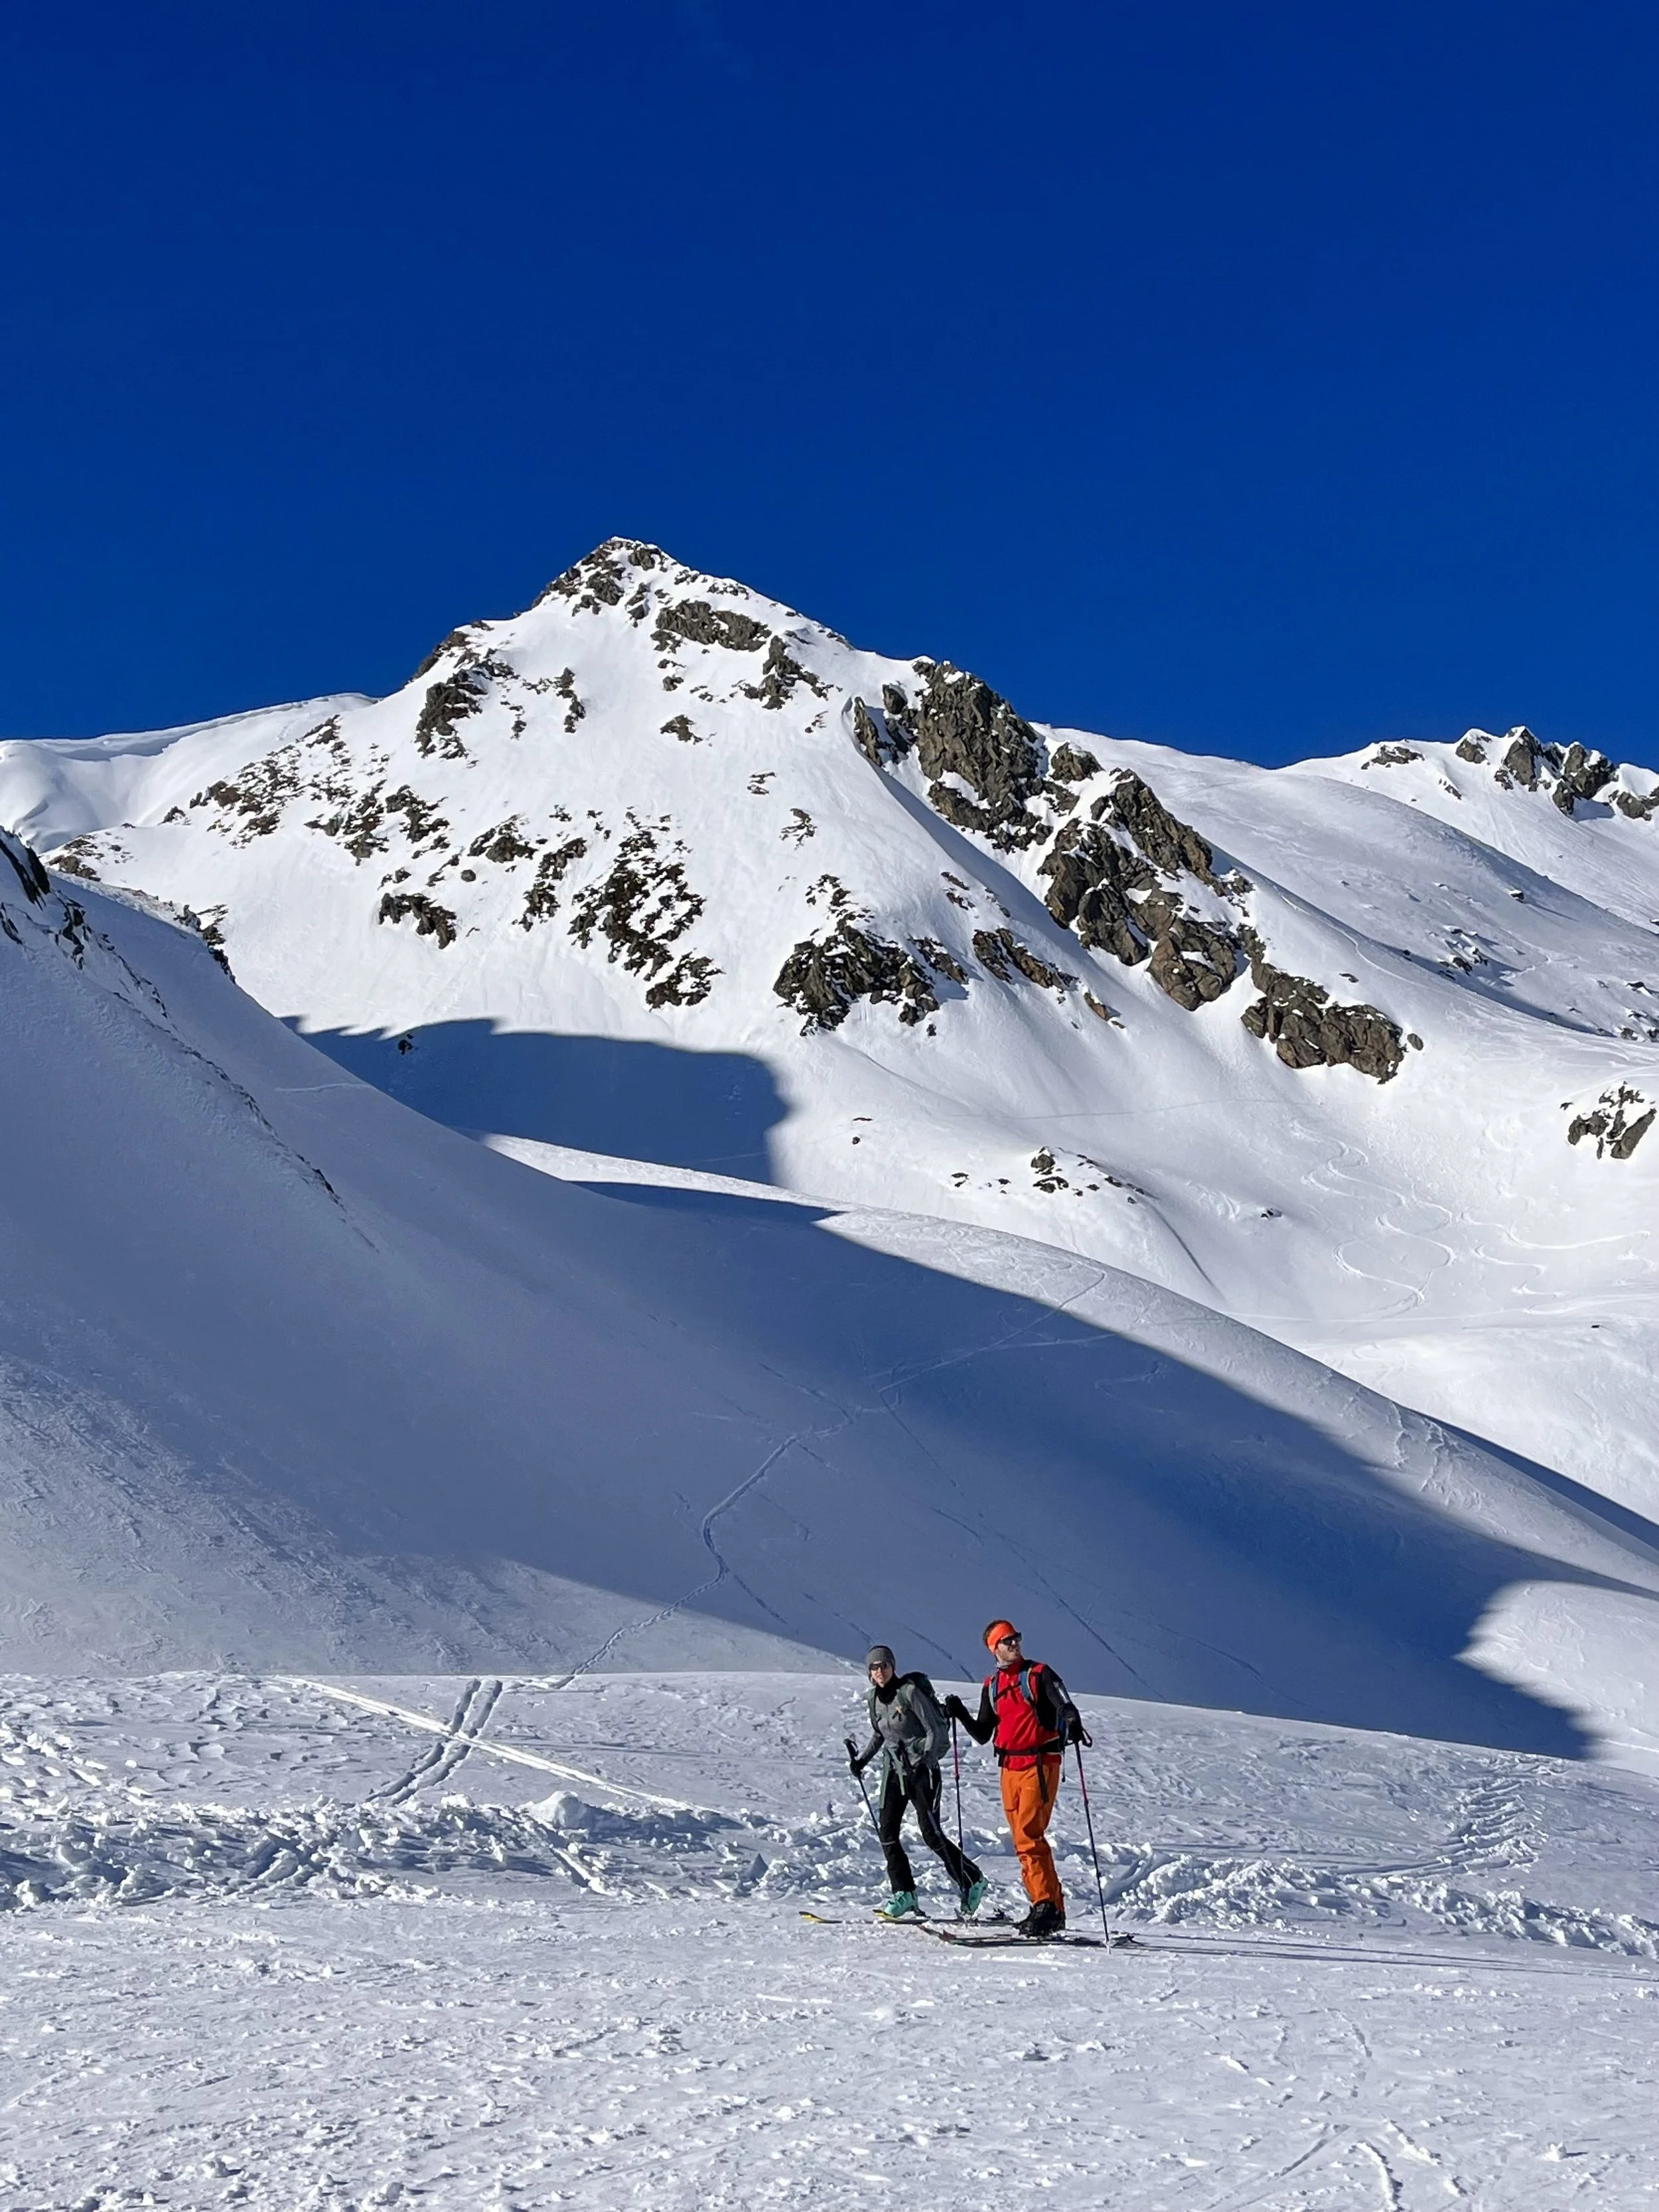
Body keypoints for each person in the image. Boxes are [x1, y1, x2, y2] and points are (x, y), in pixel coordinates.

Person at [945, 1620, 1090, 1939]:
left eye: (1016, 1638)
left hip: (1040, 1762)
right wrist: (960, 1713)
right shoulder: (993, 1685)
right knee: (1024, 1839)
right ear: (994, 1649)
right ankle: (1050, 1908)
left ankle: (1045, 1905)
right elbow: (984, 1733)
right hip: (1009, 1767)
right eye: (1007, 1641)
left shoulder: (1038, 1675)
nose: (1014, 1644)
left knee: (1028, 1834)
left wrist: (1070, 1717)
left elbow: (1062, 1703)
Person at [849, 1645, 987, 1921]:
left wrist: (925, 1760)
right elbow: (880, 1734)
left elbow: (935, 1731)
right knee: (887, 1831)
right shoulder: (874, 1699)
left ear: (892, 1666)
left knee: (931, 1833)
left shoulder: (910, 1693)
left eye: (884, 1665)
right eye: (874, 1667)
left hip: (922, 1770)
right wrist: (862, 1760)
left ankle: (971, 1880)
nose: (880, 1671)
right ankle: (904, 1893)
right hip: (894, 1771)